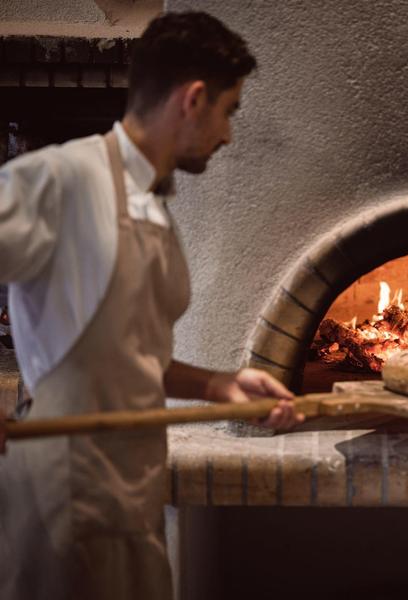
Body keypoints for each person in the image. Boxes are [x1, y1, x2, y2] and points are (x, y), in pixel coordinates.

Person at [0, 11, 303, 599]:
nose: (228, 135)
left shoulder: (150, 202)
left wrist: (222, 386)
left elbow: (126, 358)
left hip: (131, 493)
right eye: (228, 111)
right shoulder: (62, 179)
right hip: (63, 496)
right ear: (193, 99)